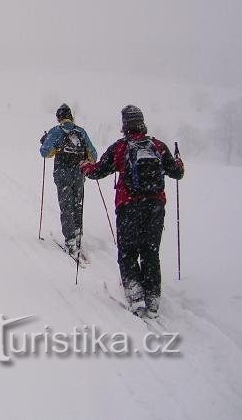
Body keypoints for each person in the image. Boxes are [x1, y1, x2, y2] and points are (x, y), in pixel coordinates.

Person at [79, 105, 184, 318]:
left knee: (127, 253)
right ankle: (153, 299)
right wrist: (179, 161)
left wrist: (85, 166)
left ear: (125, 125)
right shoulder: (158, 146)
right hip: (155, 206)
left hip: (129, 206)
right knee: (150, 252)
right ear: (142, 123)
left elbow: (98, 172)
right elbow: (177, 173)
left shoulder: (121, 148)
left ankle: (135, 295)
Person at [40, 104, 97, 255]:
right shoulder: (81, 132)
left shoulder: (56, 132)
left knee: (66, 207)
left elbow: (45, 153)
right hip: (79, 175)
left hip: (62, 175)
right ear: (71, 116)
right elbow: (93, 155)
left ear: (59, 117)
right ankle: (78, 234)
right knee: (77, 205)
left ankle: (70, 240)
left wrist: (45, 141)